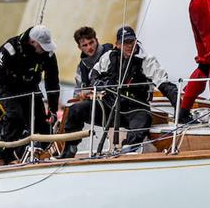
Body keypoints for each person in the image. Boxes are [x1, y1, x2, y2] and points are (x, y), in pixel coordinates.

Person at [64, 26, 178, 154]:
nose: (129, 46)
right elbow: (94, 73)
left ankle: (127, 150)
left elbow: (165, 84)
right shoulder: (109, 56)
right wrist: (99, 83)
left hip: (135, 108)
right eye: (125, 43)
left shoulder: (147, 60)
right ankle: (69, 150)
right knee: (75, 110)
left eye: (131, 41)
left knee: (143, 120)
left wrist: (180, 108)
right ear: (118, 45)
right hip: (110, 106)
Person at [0, 25, 60, 166]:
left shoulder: (48, 53)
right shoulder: (11, 48)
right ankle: (2, 158)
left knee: (43, 123)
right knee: (15, 117)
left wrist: (52, 109)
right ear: (32, 42)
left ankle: (49, 157)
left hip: (30, 89)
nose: (45, 50)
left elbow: (52, 82)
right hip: (7, 89)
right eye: (43, 46)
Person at [56, 26, 112, 159]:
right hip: (98, 107)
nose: (89, 47)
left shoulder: (111, 54)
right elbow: (78, 91)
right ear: (79, 48)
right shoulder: (82, 67)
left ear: (96, 40)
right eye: (85, 45)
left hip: (116, 103)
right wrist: (81, 95)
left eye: (91, 42)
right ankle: (70, 148)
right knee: (74, 110)